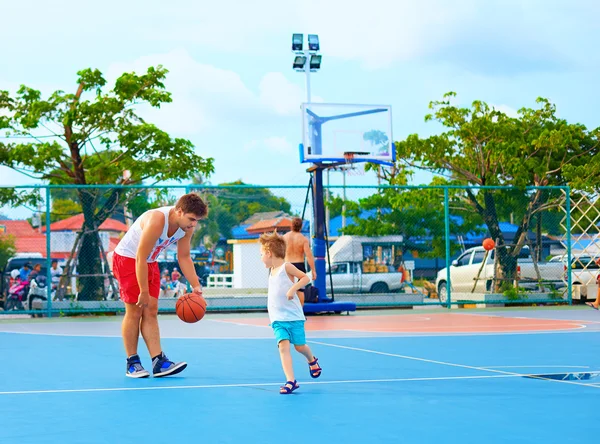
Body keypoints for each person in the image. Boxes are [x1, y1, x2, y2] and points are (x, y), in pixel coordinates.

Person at [113, 192, 208, 378]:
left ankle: (159, 361)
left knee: (151, 310)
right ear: (179, 211)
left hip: (149, 261)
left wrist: (196, 285)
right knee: (135, 310)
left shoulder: (186, 227)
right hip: (128, 259)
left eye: (197, 220)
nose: (193, 224)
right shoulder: (157, 220)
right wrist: (143, 290)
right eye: (191, 219)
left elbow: (184, 257)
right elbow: (139, 256)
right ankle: (132, 363)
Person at [259, 232, 322, 395]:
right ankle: (291, 381)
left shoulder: (286, 267)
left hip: (294, 317)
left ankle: (312, 360)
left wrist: (293, 288)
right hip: (278, 320)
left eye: (261, 255)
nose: (261, 258)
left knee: (300, 347)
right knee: (283, 347)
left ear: (269, 253)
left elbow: (305, 278)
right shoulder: (271, 270)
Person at [283, 217, 317, 305]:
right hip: (299, 265)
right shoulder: (303, 239)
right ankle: (300, 312)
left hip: (287, 265)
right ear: (301, 227)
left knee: (287, 289)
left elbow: (280, 253)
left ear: (291, 225)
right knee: (300, 290)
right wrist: (313, 270)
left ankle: (287, 312)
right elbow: (309, 256)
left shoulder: (284, 237)